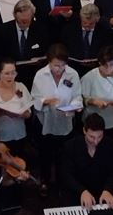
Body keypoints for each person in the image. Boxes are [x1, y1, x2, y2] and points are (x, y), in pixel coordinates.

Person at [31, 44, 83, 195]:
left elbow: (77, 96)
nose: (59, 69)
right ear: (49, 62)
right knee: (45, 154)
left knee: (64, 155)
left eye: (62, 65)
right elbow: (34, 98)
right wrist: (46, 101)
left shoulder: (72, 74)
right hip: (45, 121)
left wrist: (74, 106)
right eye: (55, 65)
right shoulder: (41, 75)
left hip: (65, 120)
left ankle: (62, 182)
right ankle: (45, 181)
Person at [80, 45, 113, 155]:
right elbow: (82, 99)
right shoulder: (89, 77)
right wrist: (94, 102)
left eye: (112, 65)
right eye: (105, 66)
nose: (108, 69)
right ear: (99, 62)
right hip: (93, 122)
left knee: (112, 153)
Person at [61, 114, 113, 208]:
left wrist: (107, 190)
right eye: (91, 137)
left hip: (101, 193)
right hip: (76, 193)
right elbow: (66, 175)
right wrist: (82, 191)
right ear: (84, 130)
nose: (96, 141)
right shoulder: (71, 146)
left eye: (99, 137)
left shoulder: (110, 145)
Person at [0, 59, 33, 157]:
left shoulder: (21, 87)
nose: (10, 76)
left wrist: (20, 113)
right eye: (7, 73)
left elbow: (29, 114)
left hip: (18, 136)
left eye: (13, 73)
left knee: (17, 167)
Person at [0, 0, 49, 89]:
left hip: (34, 79)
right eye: (21, 21)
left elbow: (46, 54)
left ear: (32, 16)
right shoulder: (3, 31)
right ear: (15, 15)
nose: (24, 24)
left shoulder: (41, 30)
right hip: (10, 78)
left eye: (27, 21)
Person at [60, 3, 109, 74]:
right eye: (84, 23)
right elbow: (64, 49)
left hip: (97, 69)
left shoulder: (104, 30)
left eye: (91, 24)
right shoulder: (69, 30)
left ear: (97, 19)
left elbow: (107, 51)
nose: (87, 26)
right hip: (73, 69)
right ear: (80, 18)